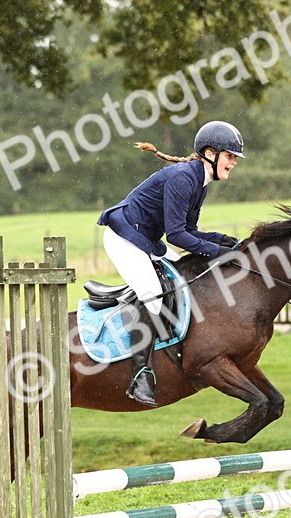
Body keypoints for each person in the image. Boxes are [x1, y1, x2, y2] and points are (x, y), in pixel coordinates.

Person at [97, 120, 246, 406]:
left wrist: (223, 241)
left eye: (234, 158)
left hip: (147, 240)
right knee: (157, 297)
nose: (233, 163)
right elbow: (177, 235)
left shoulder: (199, 182)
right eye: (230, 156)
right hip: (124, 238)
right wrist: (218, 252)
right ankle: (139, 375)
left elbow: (189, 230)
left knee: (183, 283)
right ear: (210, 153)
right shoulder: (183, 178)